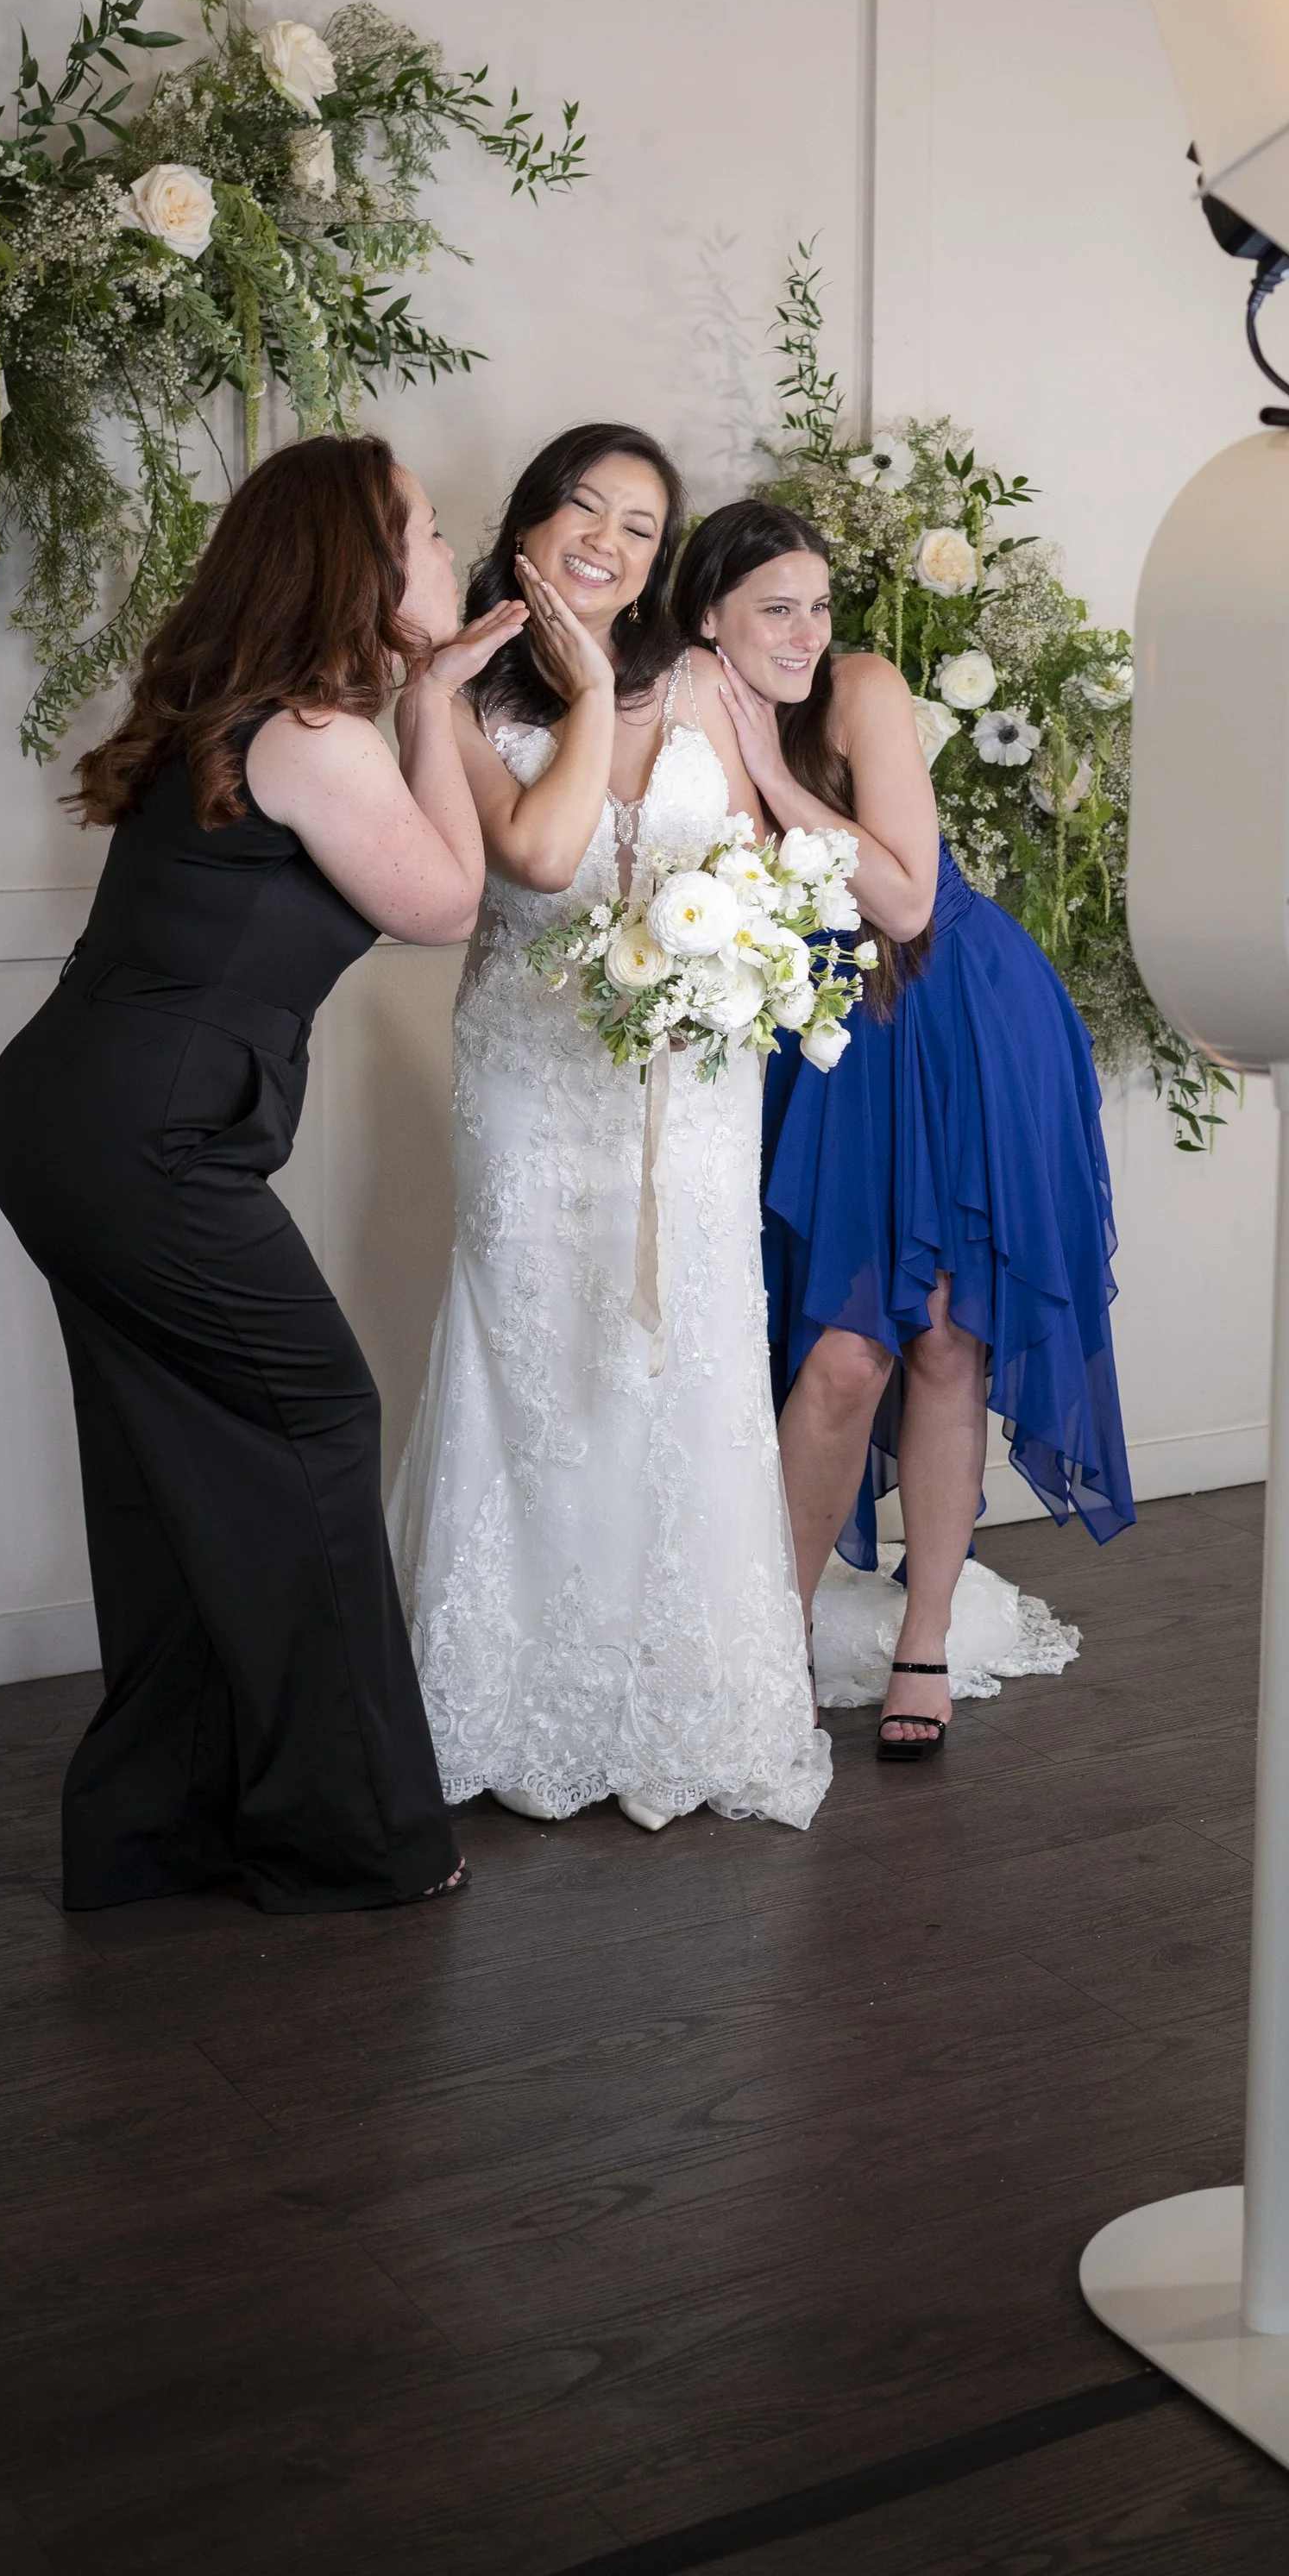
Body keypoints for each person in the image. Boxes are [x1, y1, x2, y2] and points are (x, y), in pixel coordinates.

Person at [0, 434, 522, 1913]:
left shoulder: (270, 715)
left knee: (174, 1468)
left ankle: (165, 1826)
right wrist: (438, 700)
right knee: (316, 1421)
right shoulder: (315, 732)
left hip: (81, 1123)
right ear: (358, 563)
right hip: (134, 1142)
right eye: (419, 531)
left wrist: (420, 694)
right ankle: (347, 1834)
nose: (443, 550)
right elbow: (449, 896)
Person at [386, 427, 830, 1833]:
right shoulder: (456, 684)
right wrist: (578, 689)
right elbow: (530, 852)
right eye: (585, 506)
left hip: (691, 1087)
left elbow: (764, 854)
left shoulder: (697, 679)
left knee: (682, 1355)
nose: (609, 541)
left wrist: (738, 955)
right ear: (529, 515)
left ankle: (684, 1693)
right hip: (532, 1075)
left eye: (641, 526)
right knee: (539, 1357)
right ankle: (509, 1697)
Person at [674, 500, 1133, 1762]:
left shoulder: (859, 689)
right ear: (706, 613)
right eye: (777, 605)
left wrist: (773, 773)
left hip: (950, 1017)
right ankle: (761, 1646)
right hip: (827, 1041)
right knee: (837, 1358)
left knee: (939, 1336)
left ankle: (924, 1628)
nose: (807, 629)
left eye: (819, 602)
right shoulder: (675, 709)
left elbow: (906, 894)